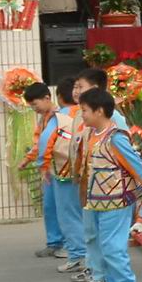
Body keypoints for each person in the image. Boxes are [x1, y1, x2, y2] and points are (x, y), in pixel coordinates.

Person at [75, 87, 142, 282]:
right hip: (98, 203)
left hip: (116, 203)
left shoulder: (115, 138)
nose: (82, 115)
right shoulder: (92, 135)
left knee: (114, 249)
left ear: (99, 111)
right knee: (106, 249)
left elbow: (137, 166)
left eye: (84, 110)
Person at [41, 77, 85, 271]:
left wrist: (42, 164)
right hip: (84, 171)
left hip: (63, 171)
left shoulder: (59, 117)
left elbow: (45, 141)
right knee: (82, 215)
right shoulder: (84, 113)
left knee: (68, 215)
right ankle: (85, 256)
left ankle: (77, 255)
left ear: (58, 96)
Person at [20, 82, 66, 261]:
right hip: (48, 170)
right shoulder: (43, 119)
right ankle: (54, 242)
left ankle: (70, 245)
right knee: (49, 206)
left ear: (47, 98)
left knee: (64, 208)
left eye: (35, 104)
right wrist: (27, 159)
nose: (34, 109)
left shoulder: (61, 117)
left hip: (61, 169)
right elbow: (39, 143)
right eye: (31, 106)